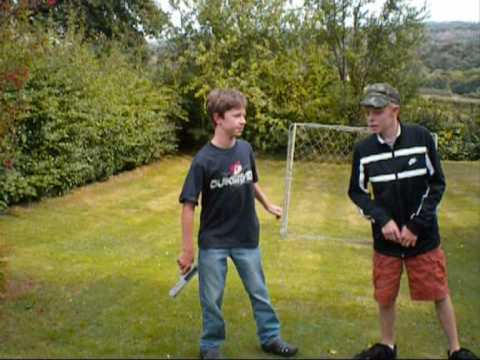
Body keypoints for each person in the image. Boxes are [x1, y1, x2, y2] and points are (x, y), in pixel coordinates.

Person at [347, 83, 477, 360]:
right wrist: (382, 220)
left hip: (424, 238)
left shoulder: (421, 138)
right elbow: (357, 191)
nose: (370, 117)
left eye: (378, 111)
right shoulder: (364, 150)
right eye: (368, 111)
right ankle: (387, 346)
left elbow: (436, 184)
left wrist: (416, 225)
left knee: (439, 292)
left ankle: (455, 349)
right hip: (386, 240)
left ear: (395, 110)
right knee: (385, 295)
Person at [177, 89, 298, 359]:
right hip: (213, 242)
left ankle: (270, 338)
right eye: (237, 115)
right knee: (211, 299)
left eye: (244, 115)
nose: (243, 120)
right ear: (218, 119)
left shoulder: (245, 149)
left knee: (259, 292)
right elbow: (188, 205)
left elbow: (250, 180)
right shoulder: (203, 160)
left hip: (246, 237)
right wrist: (187, 250)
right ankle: (210, 346)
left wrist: (267, 205)